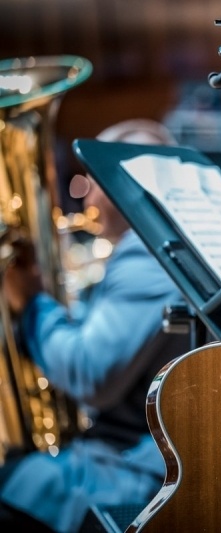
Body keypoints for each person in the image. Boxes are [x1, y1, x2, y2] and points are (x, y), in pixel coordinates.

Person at [0, 119, 192, 532]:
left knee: (9, 479)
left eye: (95, 180)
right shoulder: (181, 245)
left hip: (136, 469)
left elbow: (90, 374)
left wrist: (32, 302)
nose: (88, 196)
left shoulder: (147, 254)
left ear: (126, 183)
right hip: (162, 455)